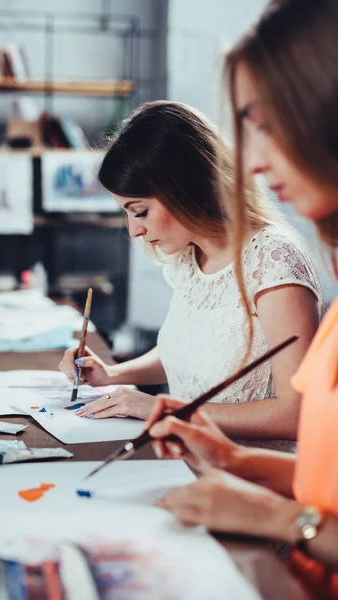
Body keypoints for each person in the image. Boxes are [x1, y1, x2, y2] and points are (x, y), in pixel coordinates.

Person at [147, 0, 338, 595]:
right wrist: (232, 461)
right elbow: (324, 478)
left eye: (266, 123)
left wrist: (281, 519)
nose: (251, 161)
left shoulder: (275, 260)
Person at [59, 100, 321, 451]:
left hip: (252, 482)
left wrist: (169, 410)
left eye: (140, 211)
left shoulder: (273, 260)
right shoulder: (188, 256)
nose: (134, 230)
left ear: (184, 188)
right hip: (185, 460)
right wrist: (113, 373)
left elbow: (297, 413)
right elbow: (186, 353)